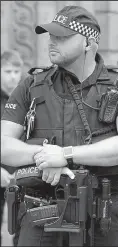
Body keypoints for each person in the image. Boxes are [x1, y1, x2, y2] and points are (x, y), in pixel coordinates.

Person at [1, 5, 118, 247]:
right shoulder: (31, 85)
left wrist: (66, 155)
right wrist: (45, 157)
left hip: (102, 215)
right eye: (51, 35)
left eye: (62, 37)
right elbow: (3, 144)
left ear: (88, 43)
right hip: (41, 213)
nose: (51, 42)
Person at [1, 49, 25, 247]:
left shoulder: (25, 98)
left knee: (22, 229)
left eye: (16, 72)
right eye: (8, 71)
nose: (13, 76)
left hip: (21, 175)